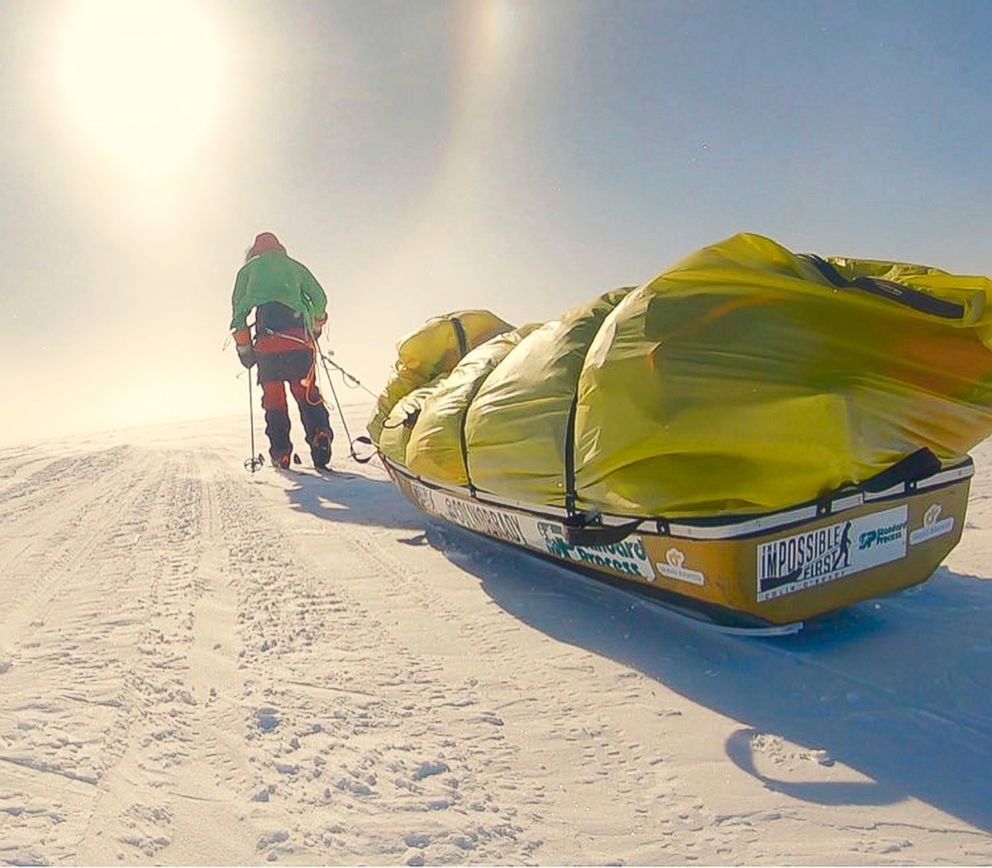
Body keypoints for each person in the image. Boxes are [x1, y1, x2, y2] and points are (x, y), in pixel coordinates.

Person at [230, 232, 334, 469]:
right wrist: (316, 325)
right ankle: (319, 434)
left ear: (254, 253)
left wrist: (244, 349)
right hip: (298, 342)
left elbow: (238, 313)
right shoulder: (295, 267)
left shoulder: (248, 272)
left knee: (274, 401)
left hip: (268, 346)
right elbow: (319, 298)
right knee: (307, 393)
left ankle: (281, 453)